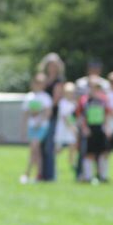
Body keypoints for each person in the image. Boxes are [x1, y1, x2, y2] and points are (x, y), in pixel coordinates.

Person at [76, 78, 112, 183]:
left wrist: (107, 127)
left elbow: (107, 114)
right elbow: (80, 115)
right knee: (89, 153)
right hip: (89, 129)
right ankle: (88, 176)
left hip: (101, 129)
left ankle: (102, 176)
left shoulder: (104, 100)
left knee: (103, 153)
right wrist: (84, 128)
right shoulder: (84, 100)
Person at [37, 52, 66, 182]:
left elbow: (56, 99)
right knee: (40, 145)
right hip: (40, 115)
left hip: (52, 116)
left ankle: (50, 175)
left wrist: (46, 111)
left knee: (49, 146)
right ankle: (41, 173)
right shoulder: (42, 79)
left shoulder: (59, 81)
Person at [21, 73, 53, 184]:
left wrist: (40, 122)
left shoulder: (45, 97)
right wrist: (24, 129)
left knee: (34, 148)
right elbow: (25, 114)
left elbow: (48, 113)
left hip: (41, 127)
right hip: (31, 126)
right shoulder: (29, 97)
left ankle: (28, 173)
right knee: (36, 151)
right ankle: (38, 174)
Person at [54, 82, 78, 173]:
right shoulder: (63, 102)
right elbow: (65, 117)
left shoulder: (74, 103)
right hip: (63, 129)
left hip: (70, 129)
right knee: (58, 149)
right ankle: (53, 164)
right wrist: (71, 127)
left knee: (73, 146)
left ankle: (71, 163)